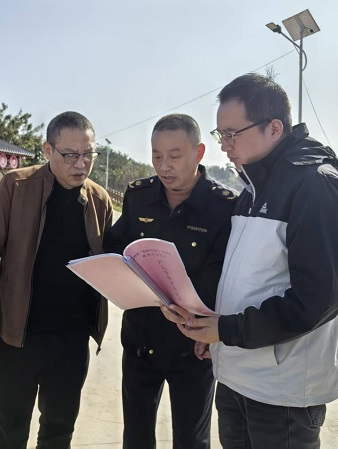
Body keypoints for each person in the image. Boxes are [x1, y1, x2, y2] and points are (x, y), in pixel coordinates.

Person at [162, 73, 338, 449]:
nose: (224, 146)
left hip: (283, 393)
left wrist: (228, 330)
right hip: (237, 377)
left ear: (274, 128)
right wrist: (215, 334)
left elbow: (319, 299)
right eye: (220, 135)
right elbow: (249, 277)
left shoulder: (315, 186)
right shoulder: (252, 189)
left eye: (231, 134)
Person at [0, 111, 113, 449]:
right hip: (16, 337)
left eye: (89, 154)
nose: (82, 164)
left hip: (71, 341)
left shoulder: (99, 200)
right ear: (48, 150)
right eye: (71, 155)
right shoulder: (17, 185)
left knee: (59, 432)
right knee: (8, 434)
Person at [104, 114, 236, 449]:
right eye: (157, 156)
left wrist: (214, 329)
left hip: (194, 346)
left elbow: (229, 276)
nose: (164, 166)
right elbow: (117, 247)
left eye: (175, 156)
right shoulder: (139, 196)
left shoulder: (223, 206)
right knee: (136, 437)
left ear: (199, 153)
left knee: (191, 440)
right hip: (141, 339)